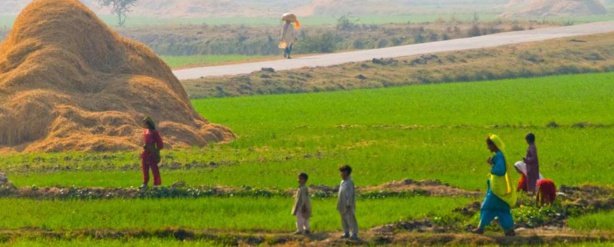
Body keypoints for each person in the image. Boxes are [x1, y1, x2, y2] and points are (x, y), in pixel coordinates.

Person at [473, 134, 517, 236]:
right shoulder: (501, 155)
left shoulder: (498, 156)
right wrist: (493, 163)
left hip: (496, 189)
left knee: (486, 207)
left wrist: (493, 167)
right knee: (503, 210)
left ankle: (480, 228)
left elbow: (500, 170)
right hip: (502, 189)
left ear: (493, 145)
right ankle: (509, 230)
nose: (488, 148)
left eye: (489, 145)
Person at [140, 116, 164, 189]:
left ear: (148, 124)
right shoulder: (145, 131)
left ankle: (156, 184)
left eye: (145, 124)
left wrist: (156, 150)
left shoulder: (154, 132)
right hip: (146, 152)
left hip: (152, 152)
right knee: (145, 168)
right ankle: (145, 183)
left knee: (154, 168)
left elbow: (160, 143)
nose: (144, 125)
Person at [337, 164, 358, 240]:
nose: (341, 174)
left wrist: (349, 203)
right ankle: (346, 232)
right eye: (341, 172)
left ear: (347, 173)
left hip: (348, 204)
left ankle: (354, 233)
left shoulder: (350, 182)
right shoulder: (342, 182)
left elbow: (350, 194)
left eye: (343, 172)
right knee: (343, 219)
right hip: (342, 204)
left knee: (350, 219)